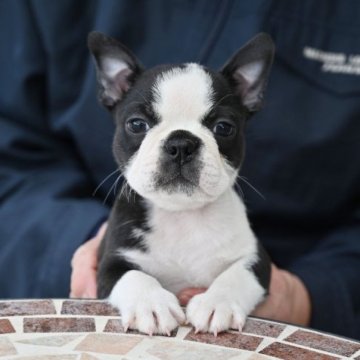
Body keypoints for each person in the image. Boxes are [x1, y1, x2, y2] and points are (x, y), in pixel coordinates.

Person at [0, 0, 359, 339]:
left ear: (251, 95)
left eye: (221, 128)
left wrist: (304, 298)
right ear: (114, 89)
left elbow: (253, 267)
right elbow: (13, 158)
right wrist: (90, 248)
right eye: (140, 125)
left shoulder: (234, 226)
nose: (180, 150)